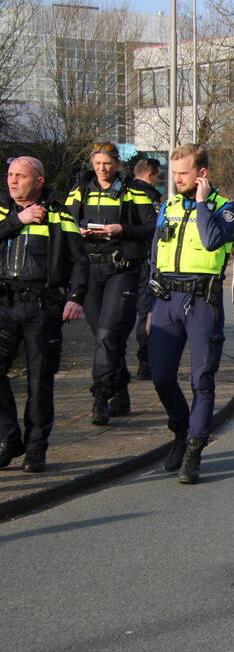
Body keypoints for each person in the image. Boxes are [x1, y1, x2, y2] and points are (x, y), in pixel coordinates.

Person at [148, 143, 234, 484]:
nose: (177, 180)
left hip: (203, 302)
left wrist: (201, 204)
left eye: (183, 173)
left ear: (202, 174)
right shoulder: (168, 206)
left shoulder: (225, 210)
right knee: (160, 376)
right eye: (174, 173)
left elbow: (212, 240)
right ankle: (180, 431)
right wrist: (149, 307)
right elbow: (154, 255)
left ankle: (194, 451)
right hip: (167, 300)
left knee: (201, 380)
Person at [0, 157, 88, 473]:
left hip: (43, 306)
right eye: (10, 175)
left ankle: (35, 450)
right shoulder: (4, 212)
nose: (12, 181)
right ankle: (10, 439)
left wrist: (76, 299)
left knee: (40, 382)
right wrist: (18, 220)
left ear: (38, 181)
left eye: (20, 176)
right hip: (5, 304)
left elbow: (80, 261)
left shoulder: (59, 215)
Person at [65, 142, 157, 426]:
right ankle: (121, 391)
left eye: (107, 163)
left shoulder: (135, 191)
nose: (102, 169)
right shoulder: (79, 191)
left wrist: (123, 229)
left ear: (117, 164)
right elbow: (64, 222)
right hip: (90, 271)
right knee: (104, 336)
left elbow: (153, 226)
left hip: (122, 270)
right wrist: (76, 230)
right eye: (98, 163)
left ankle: (100, 398)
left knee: (107, 334)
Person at [132, 158, 163, 380]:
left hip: (122, 262)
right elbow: (155, 229)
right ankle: (145, 361)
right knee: (146, 311)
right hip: (144, 260)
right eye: (158, 175)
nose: (160, 180)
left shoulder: (124, 192)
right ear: (150, 174)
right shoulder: (147, 195)